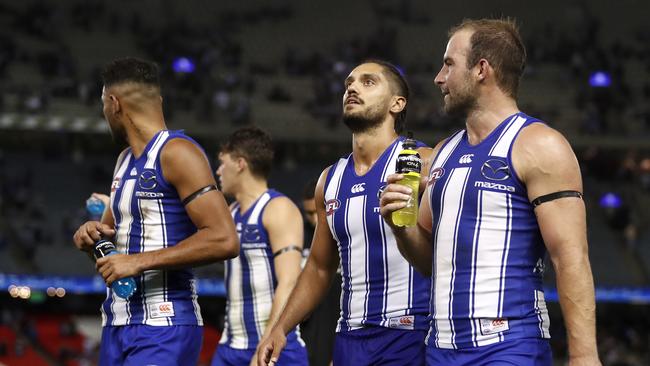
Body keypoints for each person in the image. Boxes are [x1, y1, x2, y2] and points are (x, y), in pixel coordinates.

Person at [379, 19, 601, 365]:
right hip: (440, 349)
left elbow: (570, 258)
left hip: (509, 348)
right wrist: (401, 227)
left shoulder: (540, 145)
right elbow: (428, 262)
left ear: (482, 70)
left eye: (449, 64)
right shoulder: (442, 154)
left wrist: (585, 356)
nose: (439, 77)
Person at [258, 60, 433, 366]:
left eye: (368, 82)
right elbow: (319, 268)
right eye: (349, 83)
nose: (351, 87)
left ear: (397, 102)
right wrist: (281, 328)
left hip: (410, 334)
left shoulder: (423, 161)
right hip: (349, 339)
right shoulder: (330, 179)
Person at [72, 57, 239, 366]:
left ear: (114, 103)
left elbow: (224, 239)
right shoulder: (124, 161)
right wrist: (91, 238)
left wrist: (137, 262)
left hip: (164, 325)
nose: (104, 113)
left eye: (103, 105)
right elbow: (112, 252)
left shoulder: (178, 152)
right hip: (117, 326)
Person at [212, 126, 308, 366]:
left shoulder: (278, 208)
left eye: (223, 163)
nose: (218, 171)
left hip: (276, 349)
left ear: (240, 164)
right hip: (230, 348)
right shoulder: (228, 214)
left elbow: (289, 281)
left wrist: (265, 345)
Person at [298, 178, 340, 366]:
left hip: (338, 330)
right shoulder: (298, 237)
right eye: (309, 213)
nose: (315, 220)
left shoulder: (344, 235)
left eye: (317, 211)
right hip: (306, 333)